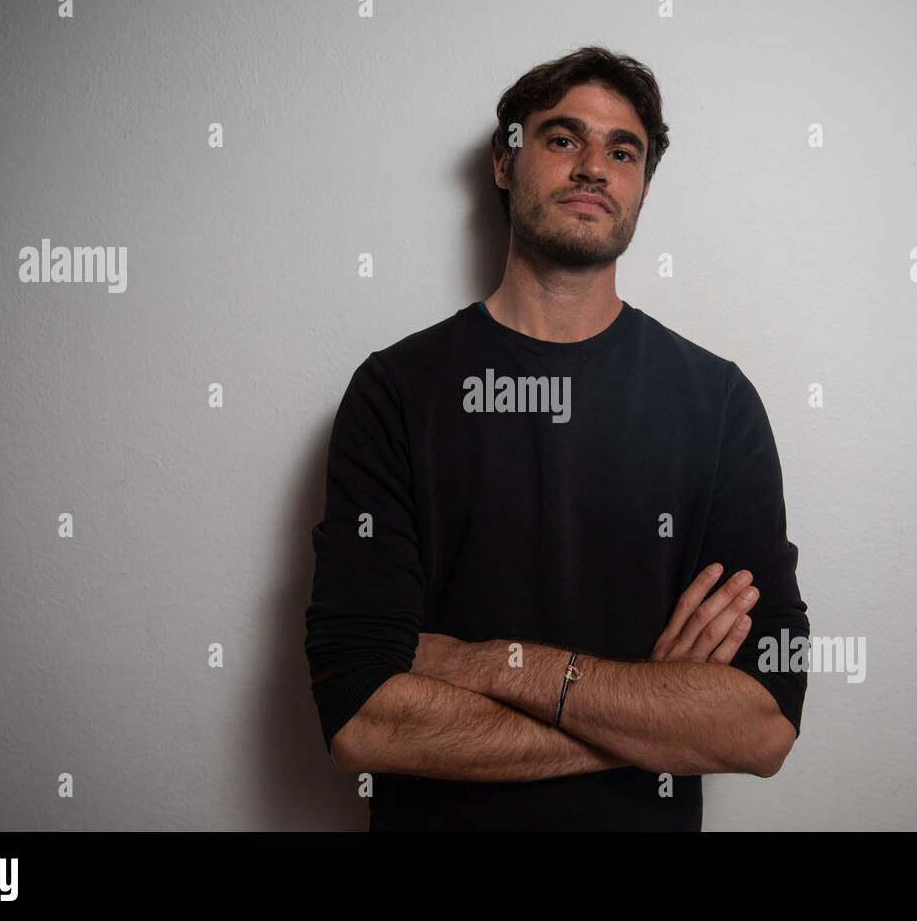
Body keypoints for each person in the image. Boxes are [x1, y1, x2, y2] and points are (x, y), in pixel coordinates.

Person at [304, 46, 809, 831]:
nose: (593, 168)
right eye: (562, 139)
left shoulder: (718, 403)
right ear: (506, 164)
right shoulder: (397, 392)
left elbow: (763, 724)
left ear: (643, 184)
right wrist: (650, 711)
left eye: (623, 151)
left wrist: (486, 663)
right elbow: (363, 721)